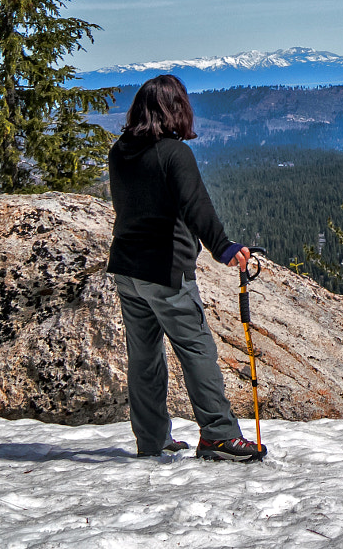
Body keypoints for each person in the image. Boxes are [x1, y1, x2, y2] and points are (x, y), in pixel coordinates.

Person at [107, 73, 266, 462]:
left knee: (144, 358)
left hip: (128, 268)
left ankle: (151, 439)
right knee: (197, 349)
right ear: (175, 109)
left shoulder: (120, 151)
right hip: (167, 271)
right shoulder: (174, 153)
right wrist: (224, 248)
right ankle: (218, 434)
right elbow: (197, 207)